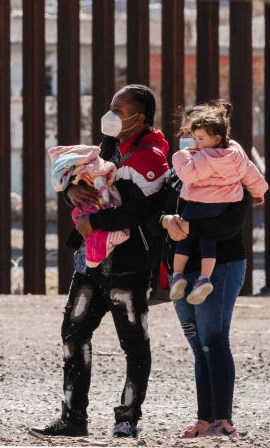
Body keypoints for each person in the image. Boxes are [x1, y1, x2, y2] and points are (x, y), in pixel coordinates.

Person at [29, 84, 169, 441]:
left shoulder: (151, 158)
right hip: (90, 264)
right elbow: (85, 189)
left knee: (134, 344)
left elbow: (139, 211)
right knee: (73, 334)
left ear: (140, 117)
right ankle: (73, 417)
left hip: (129, 267)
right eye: (111, 107)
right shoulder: (108, 147)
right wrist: (71, 192)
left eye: (118, 110)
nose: (110, 115)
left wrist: (95, 222)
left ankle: (128, 419)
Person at [158, 108, 253, 440]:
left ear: (218, 137)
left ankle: (223, 421)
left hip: (221, 265)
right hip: (183, 269)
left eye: (199, 136)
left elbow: (231, 224)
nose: (193, 142)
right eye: (189, 135)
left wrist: (189, 227)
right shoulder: (178, 172)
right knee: (198, 345)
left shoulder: (233, 171)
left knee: (214, 340)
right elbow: (157, 211)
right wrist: (166, 221)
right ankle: (203, 419)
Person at [168, 101, 267, 305]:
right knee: (208, 241)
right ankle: (204, 278)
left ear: (213, 137)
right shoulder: (236, 155)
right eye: (185, 134)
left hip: (222, 253)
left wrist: (180, 156)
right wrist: (259, 192)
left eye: (194, 135)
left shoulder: (200, 158)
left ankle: (178, 275)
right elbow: (251, 173)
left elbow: (188, 175)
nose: (189, 140)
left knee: (185, 238)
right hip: (218, 211)